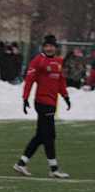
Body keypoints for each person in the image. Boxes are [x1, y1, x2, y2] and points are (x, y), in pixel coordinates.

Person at [14, 35, 71, 178]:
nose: (49, 48)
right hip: (42, 102)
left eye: (52, 46)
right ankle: (54, 169)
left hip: (52, 103)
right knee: (49, 136)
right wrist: (25, 98)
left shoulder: (59, 62)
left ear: (55, 47)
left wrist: (66, 97)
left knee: (41, 135)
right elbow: (29, 80)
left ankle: (21, 163)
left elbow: (61, 82)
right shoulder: (38, 60)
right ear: (43, 47)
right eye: (47, 46)